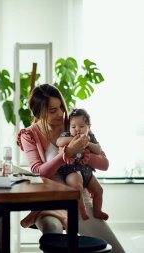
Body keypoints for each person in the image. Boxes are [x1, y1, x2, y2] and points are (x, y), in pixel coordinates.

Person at [17, 84, 125, 252]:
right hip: (50, 201)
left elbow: (105, 164)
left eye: (61, 107)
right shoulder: (29, 135)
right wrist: (68, 152)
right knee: (53, 232)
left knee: (116, 250)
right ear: (39, 113)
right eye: (53, 111)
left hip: (79, 196)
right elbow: (39, 171)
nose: (60, 113)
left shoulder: (75, 125)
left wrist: (87, 156)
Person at [56, 108, 109, 221]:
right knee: (77, 187)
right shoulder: (67, 135)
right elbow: (58, 142)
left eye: (81, 126)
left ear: (89, 127)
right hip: (71, 171)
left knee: (99, 190)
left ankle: (97, 211)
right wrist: (72, 139)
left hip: (87, 172)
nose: (77, 129)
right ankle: (82, 209)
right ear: (69, 127)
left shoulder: (90, 137)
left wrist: (88, 143)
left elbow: (98, 150)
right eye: (73, 126)